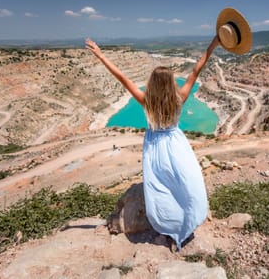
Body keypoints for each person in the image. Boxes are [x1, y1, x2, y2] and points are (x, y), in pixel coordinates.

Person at [85, 36, 220, 250]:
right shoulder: (180, 98)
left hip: (154, 146)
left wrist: (101, 55)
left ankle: (166, 225)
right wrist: (215, 42)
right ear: (169, 83)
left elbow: (120, 76)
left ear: (153, 84)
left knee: (159, 187)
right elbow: (197, 68)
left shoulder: (146, 101)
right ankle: (187, 221)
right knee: (183, 182)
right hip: (176, 144)